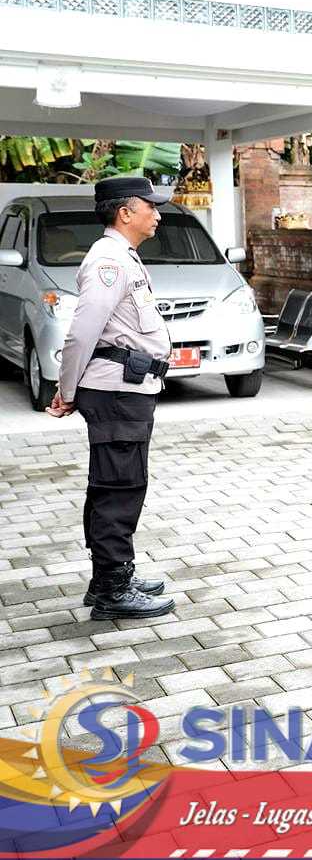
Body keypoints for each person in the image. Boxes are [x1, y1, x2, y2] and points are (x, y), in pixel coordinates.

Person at [48, 175, 177, 621]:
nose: (157, 214)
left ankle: (111, 575)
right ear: (126, 212)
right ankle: (112, 589)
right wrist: (66, 391)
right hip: (116, 392)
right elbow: (81, 334)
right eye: (150, 206)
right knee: (118, 487)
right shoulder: (109, 261)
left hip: (128, 389)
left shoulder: (122, 257)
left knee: (120, 483)